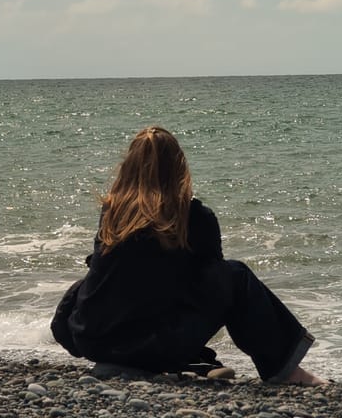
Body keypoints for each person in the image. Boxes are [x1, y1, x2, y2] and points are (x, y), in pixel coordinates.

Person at [51, 126, 324, 385]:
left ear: (128, 167)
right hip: (148, 348)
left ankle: (191, 359)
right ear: (179, 167)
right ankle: (284, 370)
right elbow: (214, 289)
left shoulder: (113, 213)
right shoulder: (194, 217)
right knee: (235, 276)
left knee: (115, 279)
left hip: (92, 341)